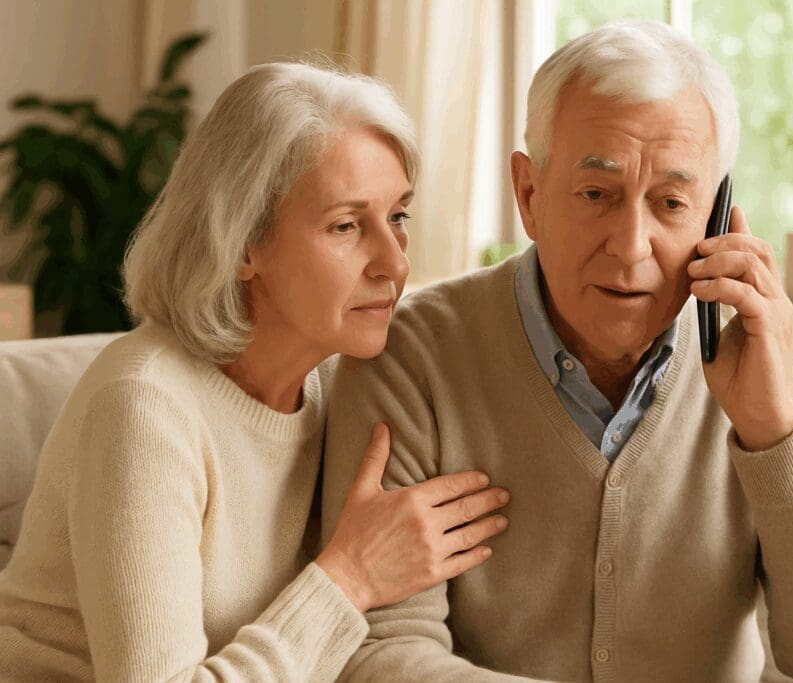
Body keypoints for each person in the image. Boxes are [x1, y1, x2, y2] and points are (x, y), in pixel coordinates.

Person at [321, 21, 793, 682]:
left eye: (671, 203)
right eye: (596, 195)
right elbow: (379, 653)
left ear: (715, 216)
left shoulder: (772, 355)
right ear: (529, 195)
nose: (632, 244)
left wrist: (776, 432)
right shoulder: (411, 356)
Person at [0, 62, 511, 681]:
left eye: (398, 216)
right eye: (346, 226)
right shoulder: (143, 406)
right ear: (242, 242)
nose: (394, 263)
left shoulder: (335, 383)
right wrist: (350, 577)